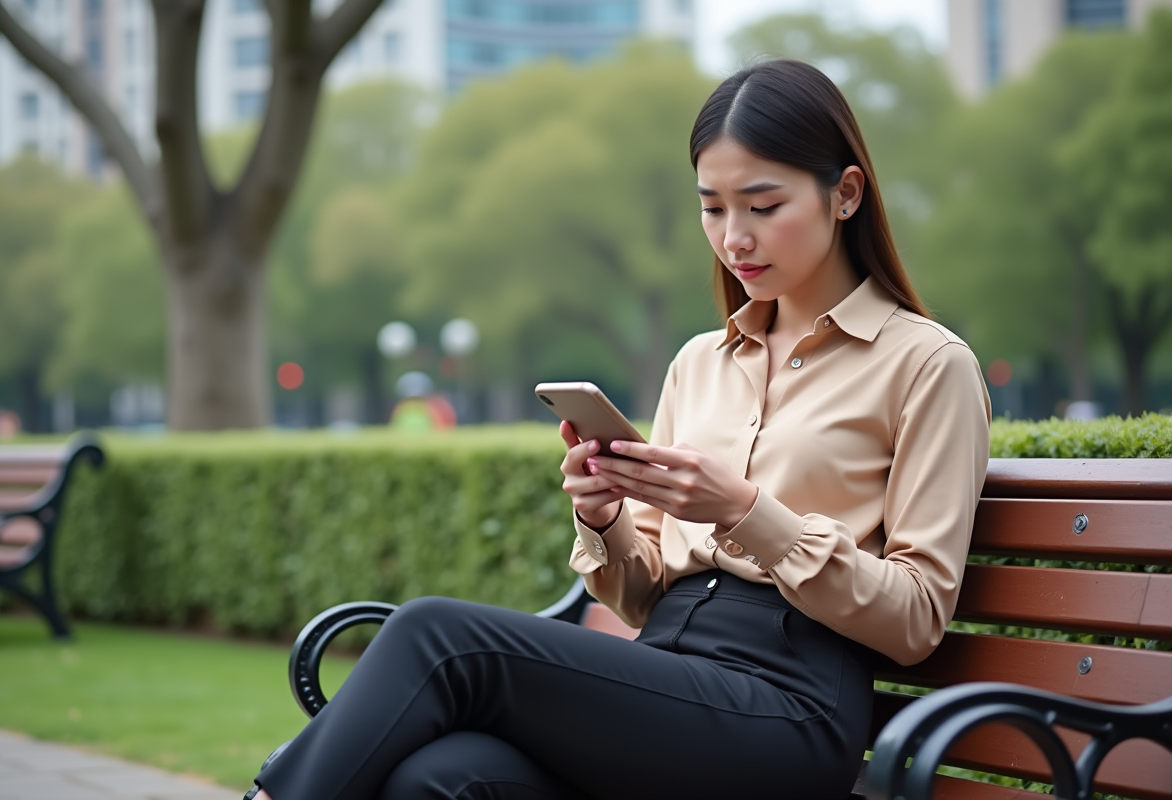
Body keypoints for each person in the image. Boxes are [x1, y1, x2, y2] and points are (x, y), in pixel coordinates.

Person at [244, 59, 991, 800]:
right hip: (668, 679)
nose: (734, 238)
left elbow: (917, 618)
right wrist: (604, 519)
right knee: (440, 778)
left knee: (435, 636)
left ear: (846, 194)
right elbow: (642, 600)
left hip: (790, 709)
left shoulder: (927, 365)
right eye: (713, 208)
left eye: (763, 207)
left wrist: (745, 512)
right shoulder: (699, 363)